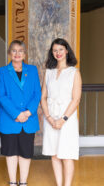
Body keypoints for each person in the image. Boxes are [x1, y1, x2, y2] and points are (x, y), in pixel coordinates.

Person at [0, 40, 41, 186]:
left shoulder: (32, 70)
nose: (17, 54)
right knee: (11, 152)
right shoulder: (2, 71)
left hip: (29, 119)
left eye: (20, 51)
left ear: (24, 54)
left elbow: (37, 93)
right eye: (14, 51)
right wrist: (17, 114)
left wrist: (27, 113)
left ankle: (23, 182)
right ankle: (12, 182)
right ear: (10, 53)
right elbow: (1, 95)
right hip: (9, 120)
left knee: (26, 152)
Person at [41, 38, 81, 186]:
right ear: (52, 53)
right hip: (50, 117)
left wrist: (63, 119)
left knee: (67, 154)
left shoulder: (74, 72)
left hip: (67, 118)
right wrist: (50, 118)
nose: (58, 53)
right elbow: (43, 97)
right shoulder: (49, 72)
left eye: (60, 49)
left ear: (66, 51)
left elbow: (76, 99)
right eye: (55, 50)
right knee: (55, 154)